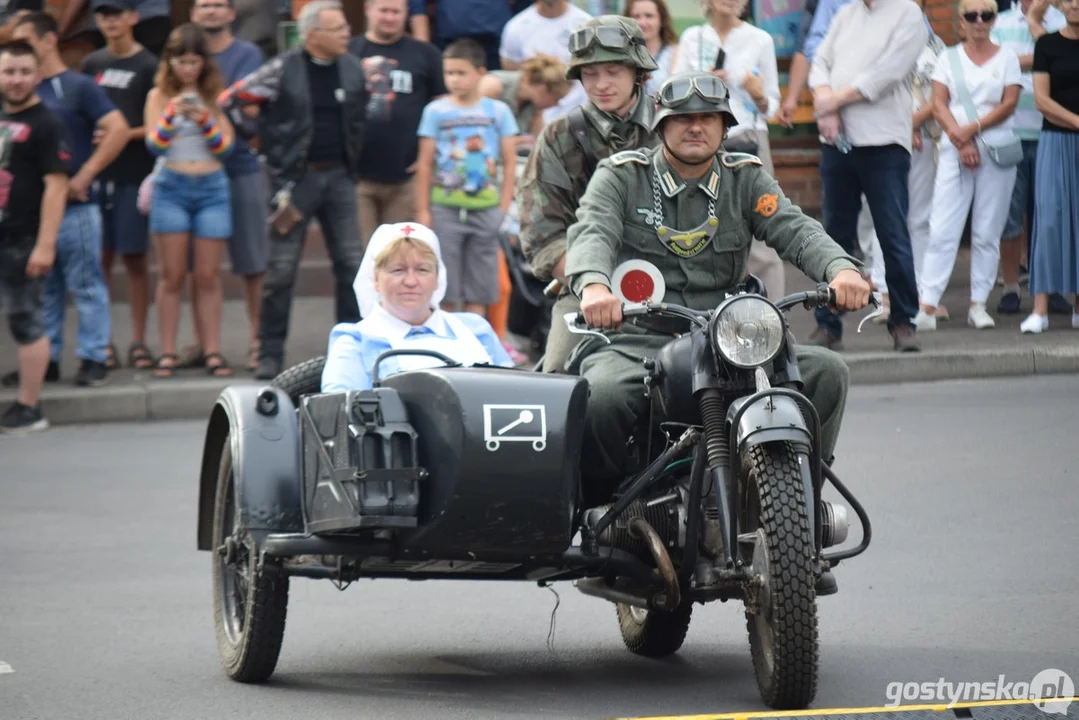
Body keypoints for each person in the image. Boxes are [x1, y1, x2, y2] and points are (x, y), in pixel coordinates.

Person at [563, 70, 869, 506]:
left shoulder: (744, 179)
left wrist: (841, 270)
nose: (695, 126)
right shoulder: (621, 177)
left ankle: (794, 505)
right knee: (604, 397)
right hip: (637, 338)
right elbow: (592, 231)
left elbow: (795, 229)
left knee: (826, 373)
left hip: (731, 342)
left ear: (725, 128)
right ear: (660, 125)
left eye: (709, 117)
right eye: (682, 118)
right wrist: (594, 286)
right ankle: (611, 509)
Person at [217, 0, 368, 380]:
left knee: (352, 266)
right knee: (281, 272)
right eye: (337, 29)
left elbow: (360, 115)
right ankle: (269, 353)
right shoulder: (283, 66)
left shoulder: (351, 67)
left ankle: (351, 353)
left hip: (340, 179)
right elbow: (232, 100)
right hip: (293, 181)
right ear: (312, 34)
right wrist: (260, 138)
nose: (346, 34)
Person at [516, 15, 659, 374]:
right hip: (587, 293)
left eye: (613, 71)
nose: (601, 84)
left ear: (637, 71)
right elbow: (542, 235)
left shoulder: (674, 125)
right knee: (558, 391)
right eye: (590, 74)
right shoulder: (559, 138)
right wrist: (596, 285)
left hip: (679, 289)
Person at [11, 11, 130, 387]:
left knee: (86, 285)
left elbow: (118, 128)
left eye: (25, 39)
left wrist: (84, 175)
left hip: (76, 209)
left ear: (48, 41)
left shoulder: (77, 86)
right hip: (32, 212)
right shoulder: (18, 91)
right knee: (45, 290)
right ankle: (45, 360)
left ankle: (94, 357)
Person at [807, 0, 927, 352]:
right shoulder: (847, 13)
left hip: (884, 143)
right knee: (834, 237)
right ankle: (828, 325)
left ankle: (903, 321)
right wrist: (824, 99)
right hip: (838, 141)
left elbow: (886, 74)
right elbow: (819, 62)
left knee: (892, 234)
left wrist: (833, 102)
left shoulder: (908, 13)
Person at [915, 0, 1021, 331]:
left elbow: (1009, 103)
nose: (979, 21)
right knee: (943, 227)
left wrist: (971, 131)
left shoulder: (1008, 58)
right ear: (961, 21)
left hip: (996, 149)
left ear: (993, 20)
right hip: (954, 150)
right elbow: (939, 102)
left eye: (986, 15)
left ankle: (978, 304)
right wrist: (961, 141)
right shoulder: (948, 58)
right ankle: (927, 305)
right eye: (972, 15)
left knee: (988, 229)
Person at [143, 24, 236, 377]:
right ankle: (166, 351)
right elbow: (154, 144)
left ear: (204, 63)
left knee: (209, 275)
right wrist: (172, 115)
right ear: (170, 62)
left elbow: (227, 147)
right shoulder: (158, 95)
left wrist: (206, 120)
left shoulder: (214, 94)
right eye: (181, 61)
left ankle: (211, 350)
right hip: (172, 185)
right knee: (171, 274)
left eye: (194, 62)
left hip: (211, 185)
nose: (188, 69)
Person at [321, 222, 514, 392]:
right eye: (398, 270)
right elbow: (338, 410)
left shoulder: (475, 328)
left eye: (422, 270)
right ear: (376, 280)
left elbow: (517, 391)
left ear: (438, 279)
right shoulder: (356, 340)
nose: (411, 281)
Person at [188, 0, 268, 373]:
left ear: (232, 13)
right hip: (192, 172)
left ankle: (259, 342)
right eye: (204, 5)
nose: (211, 11)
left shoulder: (249, 55)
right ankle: (203, 345)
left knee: (253, 262)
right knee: (200, 268)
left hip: (240, 167)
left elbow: (256, 112)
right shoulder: (187, 53)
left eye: (219, 4)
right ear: (192, 13)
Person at [81, 0, 159, 372]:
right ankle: (104, 341)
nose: (109, 21)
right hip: (97, 176)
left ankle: (139, 340)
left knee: (135, 259)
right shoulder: (92, 64)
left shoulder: (148, 65)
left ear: (133, 17)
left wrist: (120, 134)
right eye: (103, 15)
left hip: (133, 173)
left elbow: (158, 123)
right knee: (100, 261)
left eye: (116, 14)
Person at [415, 38, 519, 317]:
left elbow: (509, 162)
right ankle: (448, 354)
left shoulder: (498, 111)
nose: (454, 80)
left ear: (481, 73)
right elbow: (425, 163)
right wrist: (424, 210)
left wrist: (503, 208)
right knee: (444, 287)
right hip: (445, 209)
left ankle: (475, 354)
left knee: (480, 288)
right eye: (449, 73)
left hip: (486, 209)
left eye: (461, 73)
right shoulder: (435, 111)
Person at [0, 40, 70, 434]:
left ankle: (30, 407)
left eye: (24, 72)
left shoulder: (48, 123)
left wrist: (45, 244)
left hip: (24, 238)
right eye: (9, 71)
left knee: (26, 318)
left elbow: (57, 187)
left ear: (38, 75)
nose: (15, 79)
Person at [990, 0, 1067, 315]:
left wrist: (1018, 63)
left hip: (1053, 132)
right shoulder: (998, 22)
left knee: (1050, 217)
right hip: (1010, 132)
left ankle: (1047, 288)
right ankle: (1010, 288)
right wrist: (1041, 59)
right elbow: (991, 66)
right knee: (1010, 216)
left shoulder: (1066, 18)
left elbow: (1062, 61)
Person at [350, 0, 447, 245]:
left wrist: (431, 156)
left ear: (406, 13)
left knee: (398, 254)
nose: (390, 17)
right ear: (368, 10)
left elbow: (444, 111)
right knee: (360, 257)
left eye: (396, 12)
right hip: (356, 176)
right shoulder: (350, 52)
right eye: (384, 10)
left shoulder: (426, 53)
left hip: (407, 177)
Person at [1020, 0, 1079, 333]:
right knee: (1051, 220)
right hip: (1056, 142)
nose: (1074, 4)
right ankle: (1040, 310)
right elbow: (1042, 101)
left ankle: (1078, 309)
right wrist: (1076, 122)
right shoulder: (1047, 44)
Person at [480, 54, 572, 140]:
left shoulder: (535, 107)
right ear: (543, 88)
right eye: (557, 99)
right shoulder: (493, 85)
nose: (556, 105)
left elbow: (539, 141)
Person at [624, 0, 679, 97]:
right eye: (636, 16)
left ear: (661, 20)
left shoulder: (675, 53)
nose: (642, 23)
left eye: (649, 16)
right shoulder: (622, 53)